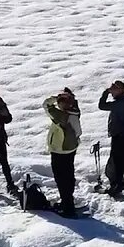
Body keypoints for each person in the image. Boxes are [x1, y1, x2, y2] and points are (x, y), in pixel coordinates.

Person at [44, 89, 83, 218]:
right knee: (68, 177)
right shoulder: (74, 114)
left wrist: (55, 98)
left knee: (61, 179)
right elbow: (78, 132)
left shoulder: (58, 115)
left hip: (59, 151)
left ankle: (67, 207)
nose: (60, 104)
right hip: (70, 150)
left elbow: (46, 104)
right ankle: (68, 202)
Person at [99, 80, 124, 196]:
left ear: (120, 90)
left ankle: (117, 184)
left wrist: (105, 93)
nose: (111, 90)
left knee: (117, 159)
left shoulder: (119, 103)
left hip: (119, 134)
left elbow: (102, 106)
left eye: (113, 88)